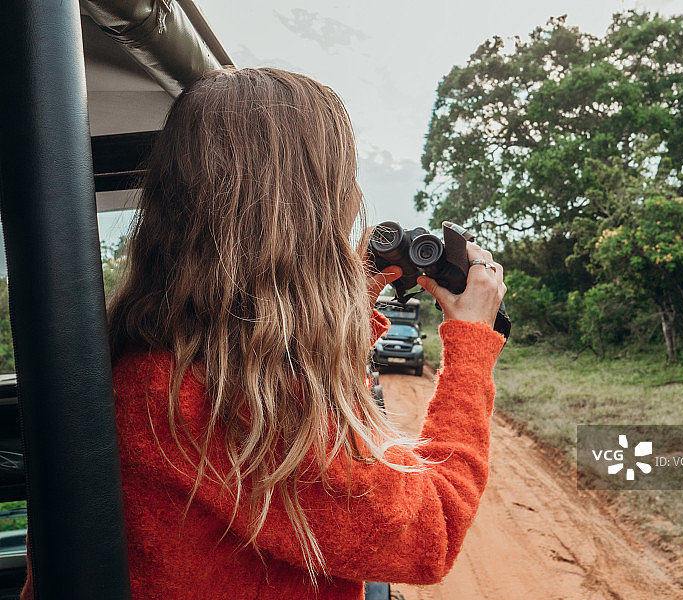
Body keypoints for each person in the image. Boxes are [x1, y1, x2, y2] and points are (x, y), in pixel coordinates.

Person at [22, 67, 506, 599]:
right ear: (306, 213)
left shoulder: (142, 361)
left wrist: (350, 304)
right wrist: (470, 344)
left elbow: (281, 368)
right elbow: (429, 532)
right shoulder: (238, 406)